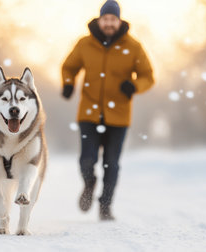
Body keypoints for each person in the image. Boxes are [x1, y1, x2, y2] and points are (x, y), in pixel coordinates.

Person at [61, 0, 155, 220]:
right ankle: (89, 183)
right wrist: (68, 83)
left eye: (113, 19)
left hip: (119, 116)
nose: (109, 24)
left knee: (111, 163)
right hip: (89, 113)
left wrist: (134, 86)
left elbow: (148, 76)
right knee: (86, 159)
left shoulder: (133, 47)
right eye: (106, 19)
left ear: (119, 20)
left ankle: (105, 205)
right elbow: (69, 66)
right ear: (100, 19)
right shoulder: (85, 44)